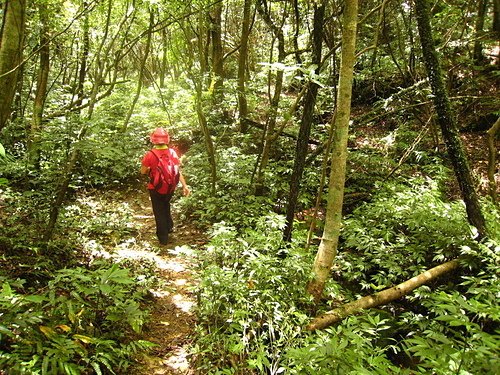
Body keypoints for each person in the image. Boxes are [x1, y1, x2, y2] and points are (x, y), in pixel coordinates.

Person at [140, 127, 190, 245]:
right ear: (166, 139)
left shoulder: (149, 155)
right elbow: (177, 171)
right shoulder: (172, 153)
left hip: (155, 187)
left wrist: (149, 170)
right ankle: (169, 227)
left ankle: (163, 238)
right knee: (166, 204)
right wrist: (185, 186)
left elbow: (143, 171)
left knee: (159, 211)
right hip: (170, 187)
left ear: (153, 140)